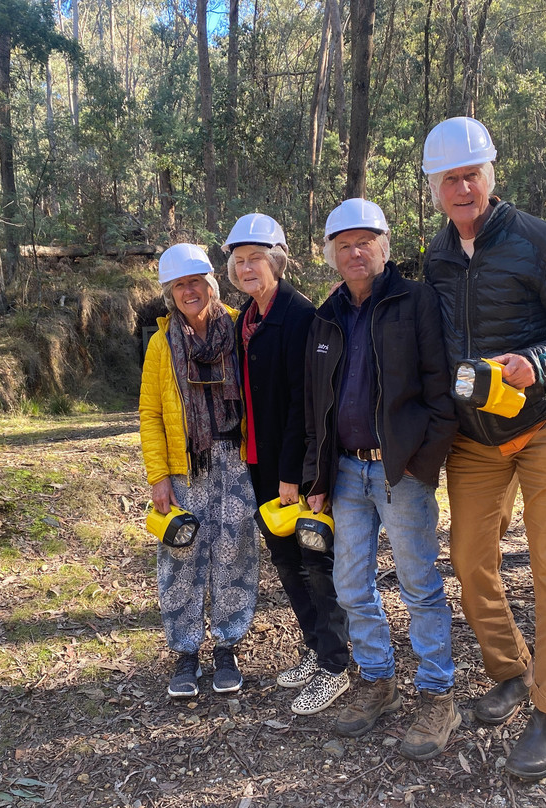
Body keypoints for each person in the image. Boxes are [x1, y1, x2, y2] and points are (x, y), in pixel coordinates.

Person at [421, 116, 546, 780]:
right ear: (434, 188)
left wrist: (539, 359)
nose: (462, 188)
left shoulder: (539, 241)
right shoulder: (437, 256)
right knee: (471, 558)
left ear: (490, 175)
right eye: (449, 179)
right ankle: (510, 672)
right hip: (477, 437)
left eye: (471, 174)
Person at [304, 198, 460, 759]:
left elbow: (442, 391)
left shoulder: (415, 300)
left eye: (364, 241)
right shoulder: (326, 316)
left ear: (384, 246)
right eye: (343, 245)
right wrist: (317, 476)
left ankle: (438, 692)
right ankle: (377, 681)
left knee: (419, 584)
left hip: (401, 471)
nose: (354, 252)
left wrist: (422, 464)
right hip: (345, 472)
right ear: (330, 255)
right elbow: (315, 407)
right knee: (351, 586)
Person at [224, 213, 351, 716]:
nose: (247, 267)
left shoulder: (300, 315)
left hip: (292, 468)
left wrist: (295, 471)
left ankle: (337, 665)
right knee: (285, 561)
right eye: (239, 260)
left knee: (315, 562)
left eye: (256, 258)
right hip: (258, 463)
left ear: (277, 259)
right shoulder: (246, 319)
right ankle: (316, 649)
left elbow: (307, 399)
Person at [139, 243, 260, 699]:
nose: (189, 291)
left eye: (196, 281)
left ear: (211, 282)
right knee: (180, 555)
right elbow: (150, 413)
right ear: (170, 293)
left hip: (235, 456)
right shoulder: (160, 345)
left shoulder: (239, 328)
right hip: (184, 464)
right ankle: (186, 652)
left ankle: (227, 645)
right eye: (179, 285)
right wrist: (158, 476)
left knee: (236, 550)